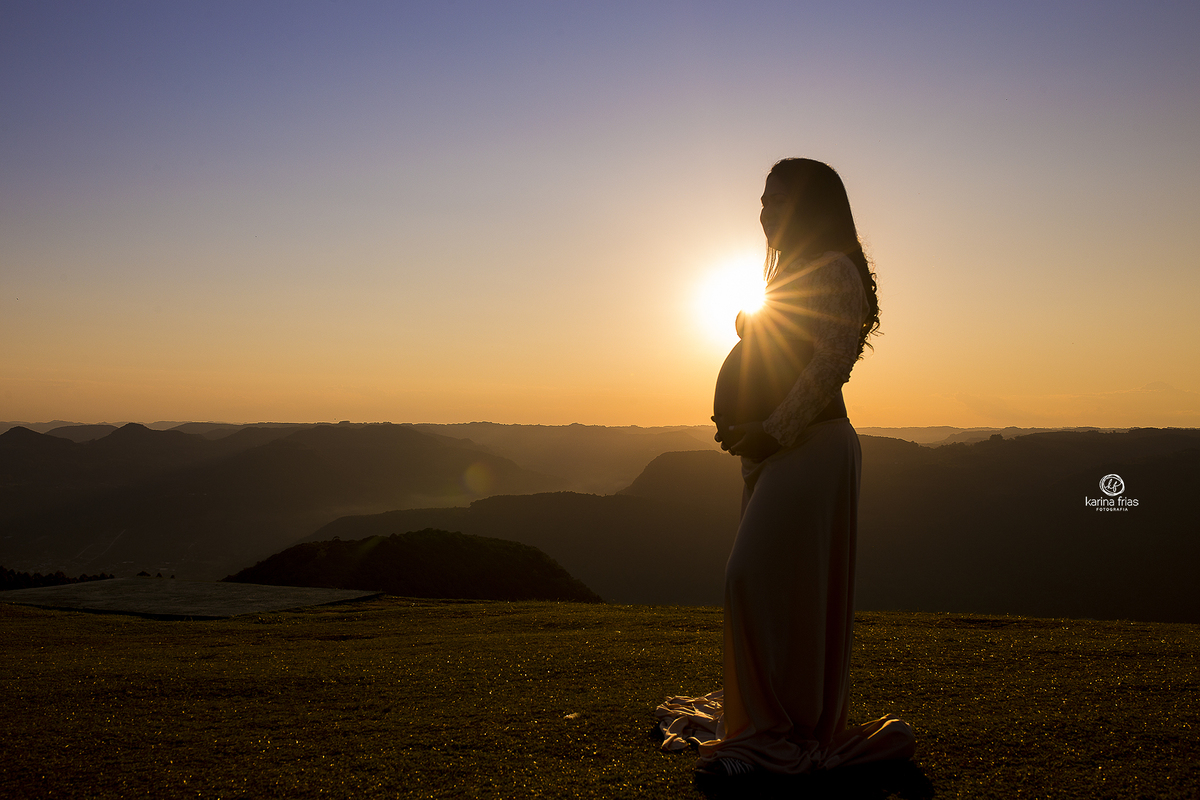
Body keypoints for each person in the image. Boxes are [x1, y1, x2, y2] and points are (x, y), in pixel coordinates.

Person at [655, 158, 916, 777]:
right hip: (774, 450)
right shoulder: (794, 274)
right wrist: (749, 434)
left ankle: (772, 730)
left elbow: (827, 368)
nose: (764, 211)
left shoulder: (835, 273)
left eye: (775, 199)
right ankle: (770, 718)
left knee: (749, 577)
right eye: (762, 200)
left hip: (812, 447)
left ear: (808, 206)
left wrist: (769, 434)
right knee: (783, 590)